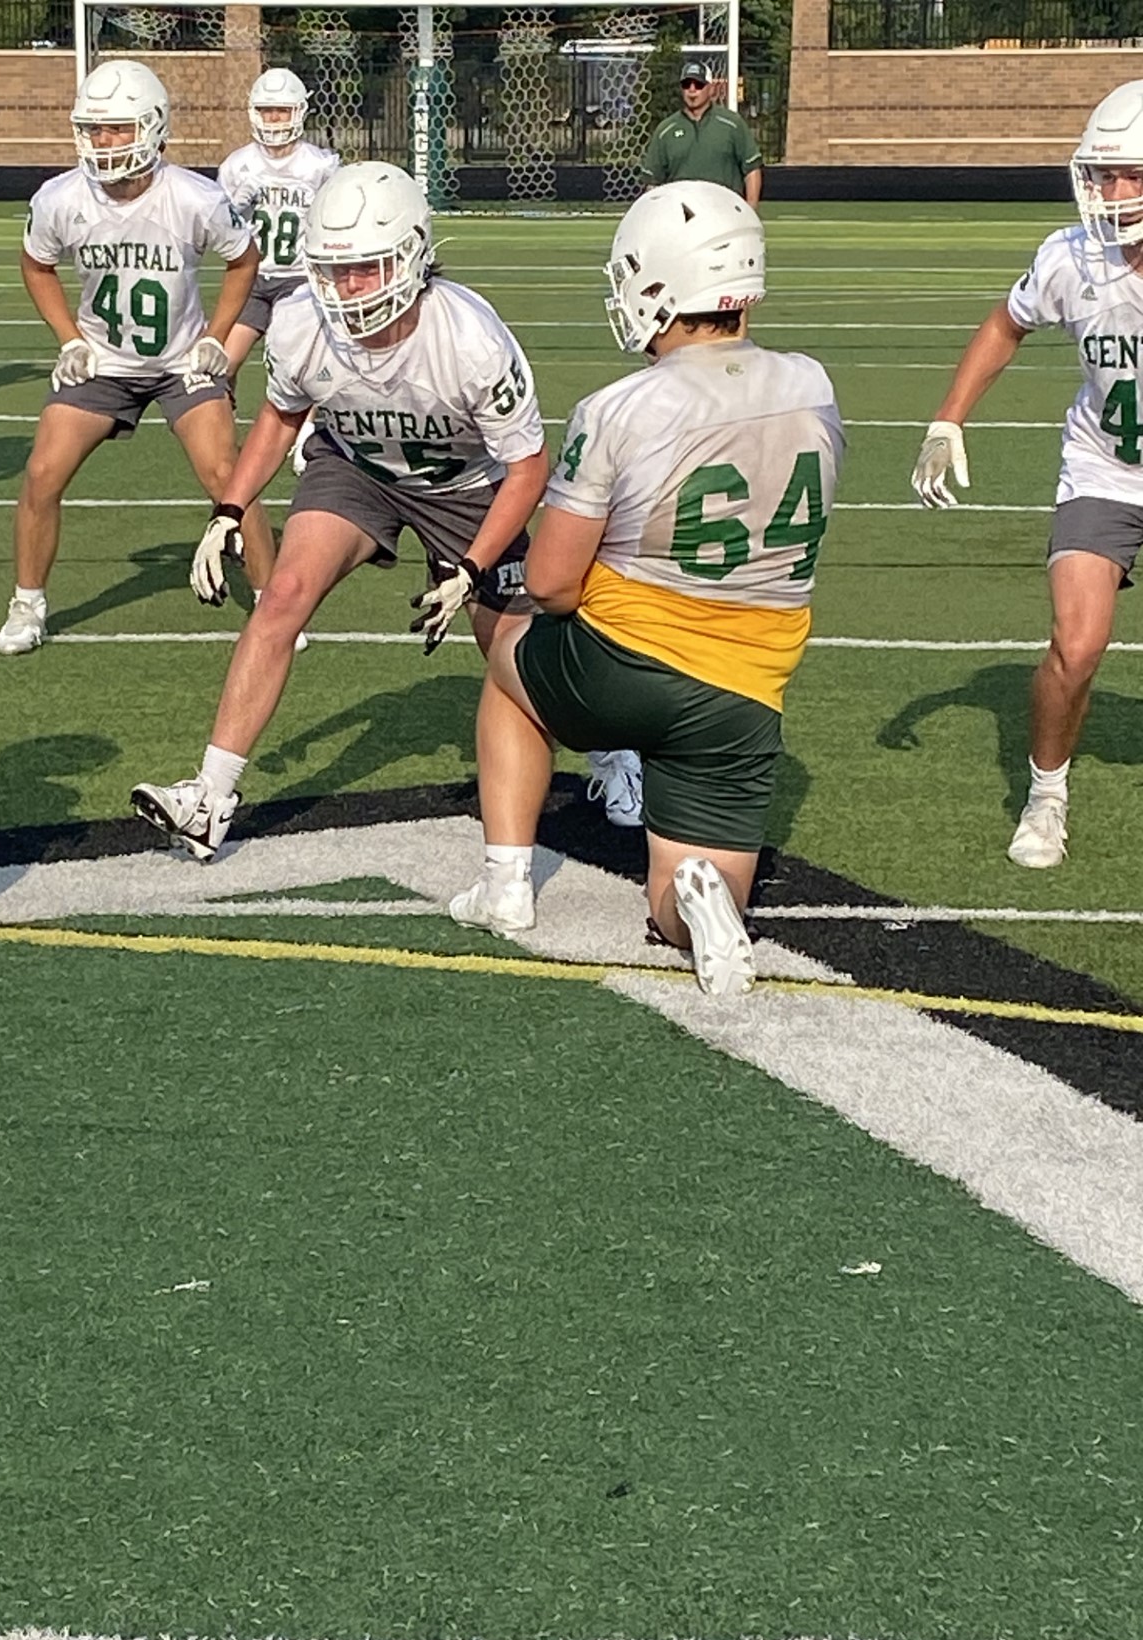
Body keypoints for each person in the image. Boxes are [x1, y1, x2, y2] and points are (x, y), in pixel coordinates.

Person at [449, 183, 842, 997]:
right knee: (673, 900)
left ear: (661, 285)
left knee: (509, 661)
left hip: (624, 660)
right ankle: (702, 906)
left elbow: (555, 583)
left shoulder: (621, 406)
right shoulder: (813, 384)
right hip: (746, 691)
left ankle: (506, 886)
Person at [129, 161, 549, 863]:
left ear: (413, 257)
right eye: (334, 269)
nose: (348, 287)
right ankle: (209, 797)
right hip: (357, 469)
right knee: (283, 593)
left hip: (468, 487)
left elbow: (529, 467)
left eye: (368, 267)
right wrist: (229, 509)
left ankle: (609, 759)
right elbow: (279, 420)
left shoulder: (471, 337)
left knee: (514, 648)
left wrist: (472, 567)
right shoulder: (301, 322)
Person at [910, 79, 1143, 870]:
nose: (1112, 193)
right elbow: (1007, 323)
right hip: (1105, 467)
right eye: (1104, 174)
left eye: (1131, 175)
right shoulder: (1072, 258)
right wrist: (949, 415)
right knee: (1076, 646)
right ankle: (1047, 796)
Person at [0, 59, 266, 657]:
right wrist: (68, 338)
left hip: (179, 363)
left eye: (118, 128)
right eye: (94, 128)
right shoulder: (61, 198)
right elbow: (36, 263)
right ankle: (28, 603)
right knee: (42, 473)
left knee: (229, 477)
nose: (104, 141)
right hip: (103, 363)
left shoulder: (196, 197)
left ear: (154, 127)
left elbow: (243, 259)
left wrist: (215, 338)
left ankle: (273, 604)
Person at [216, 69, 339, 379]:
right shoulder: (237, 166)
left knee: (297, 368)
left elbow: (340, 224)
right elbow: (216, 234)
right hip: (252, 278)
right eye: (266, 111)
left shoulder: (319, 166)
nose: (273, 119)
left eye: (282, 111)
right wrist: (233, 208)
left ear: (299, 112)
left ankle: (305, 429)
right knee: (223, 365)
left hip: (300, 278)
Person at [641, 59, 763, 210]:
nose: (692, 90)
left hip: (725, 214)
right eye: (686, 85)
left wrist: (751, 209)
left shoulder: (732, 124)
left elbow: (751, 168)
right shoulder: (665, 131)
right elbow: (653, 182)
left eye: (698, 85)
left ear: (711, 88)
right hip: (681, 217)